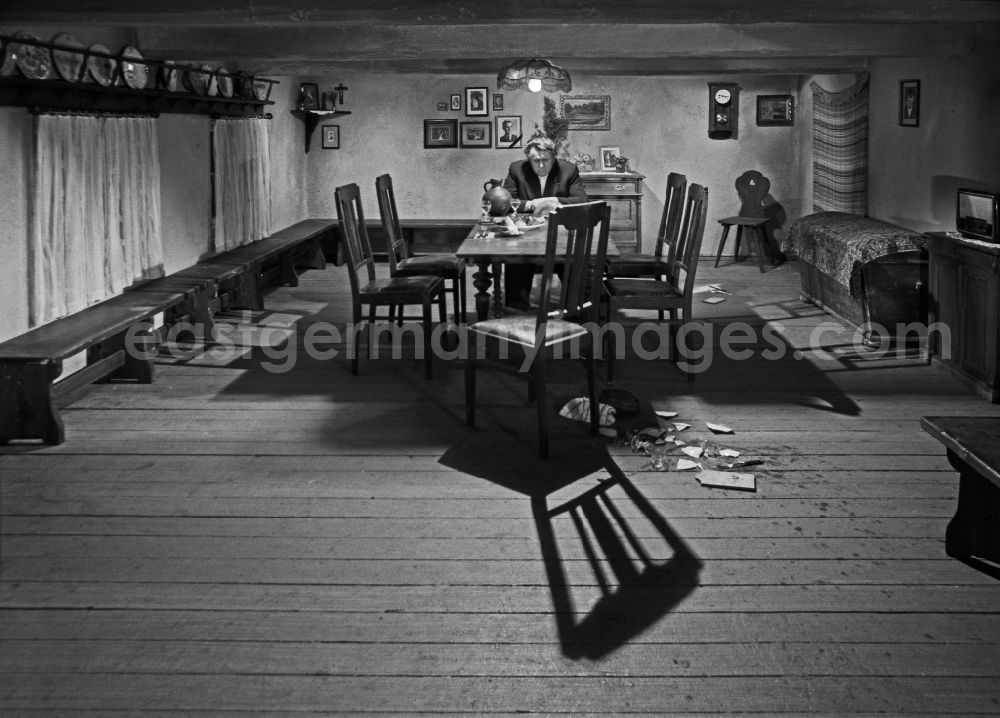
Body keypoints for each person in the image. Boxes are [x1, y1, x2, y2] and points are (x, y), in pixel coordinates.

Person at [501, 136, 589, 309]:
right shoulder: (517, 169)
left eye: (546, 160)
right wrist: (531, 204)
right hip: (528, 233)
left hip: (561, 233)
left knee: (573, 256)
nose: (541, 165)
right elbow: (505, 202)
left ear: (554, 157)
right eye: (536, 160)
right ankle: (517, 309)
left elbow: (582, 200)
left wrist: (553, 200)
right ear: (528, 158)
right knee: (516, 256)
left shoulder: (568, 170)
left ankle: (575, 309)